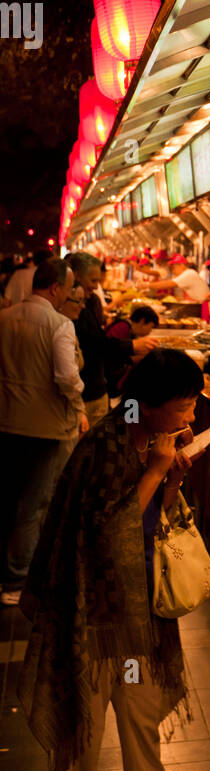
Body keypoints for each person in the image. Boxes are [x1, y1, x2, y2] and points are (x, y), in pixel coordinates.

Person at [18, 349, 203, 771]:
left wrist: (172, 480)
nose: (192, 415)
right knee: (81, 728)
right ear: (151, 403)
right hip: (89, 614)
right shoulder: (104, 445)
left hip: (140, 612)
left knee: (142, 725)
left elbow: (153, 521)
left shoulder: (154, 438)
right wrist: (158, 470)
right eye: (184, 406)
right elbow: (105, 536)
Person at [0, 258, 88, 607]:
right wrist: (77, 398)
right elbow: (67, 377)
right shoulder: (60, 324)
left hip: (5, 422)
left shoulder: (3, 317)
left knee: (7, 498)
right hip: (45, 429)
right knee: (32, 505)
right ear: (56, 288)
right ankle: (16, 581)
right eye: (68, 288)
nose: (68, 294)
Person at [69, 252, 158, 425]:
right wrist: (132, 347)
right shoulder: (71, 312)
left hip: (96, 388)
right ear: (76, 276)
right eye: (93, 281)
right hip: (86, 393)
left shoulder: (92, 301)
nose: (96, 287)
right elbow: (92, 344)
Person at [145, 254, 210, 306]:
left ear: (181, 265)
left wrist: (146, 285)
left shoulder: (189, 274)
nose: (173, 271)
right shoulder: (188, 273)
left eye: (174, 268)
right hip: (198, 306)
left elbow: (169, 284)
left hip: (202, 307)